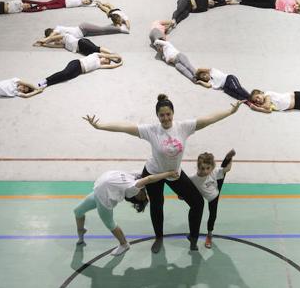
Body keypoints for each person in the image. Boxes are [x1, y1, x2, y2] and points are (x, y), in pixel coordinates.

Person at [83, 94, 242, 252]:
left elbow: (208, 119)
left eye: (168, 114)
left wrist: (231, 111)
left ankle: (193, 237)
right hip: (153, 172)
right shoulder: (151, 130)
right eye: (161, 115)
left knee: (197, 203)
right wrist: (100, 126)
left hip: (175, 174)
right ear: (157, 116)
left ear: (173, 113)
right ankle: (159, 237)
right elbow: (125, 127)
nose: (165, 118)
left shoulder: (183, 127)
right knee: (157, 206)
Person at [74, 169, 179, 255]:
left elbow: (150, 179)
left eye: (142, 196)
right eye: (144, 194)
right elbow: (150, 175)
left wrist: (168, 174)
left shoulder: (132, 188)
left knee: (110, 224)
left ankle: (124, 244)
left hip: (104, 200)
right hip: (98, 192)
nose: (144, 193)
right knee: (77, 211)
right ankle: (81, 231)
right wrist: (166, 171)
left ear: (134, 198)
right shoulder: (135, 177)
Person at [189, 149, 235, 249]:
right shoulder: (193, 178)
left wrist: (230, 159)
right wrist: (182, 195)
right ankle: (193, 234)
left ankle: (209, 235)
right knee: (196, 211)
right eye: (202, 168)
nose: (205, 171)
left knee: (213, 215)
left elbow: (228, 169)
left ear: (212, 167)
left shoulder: (214, 171)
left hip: (215, 193)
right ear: (198, 167)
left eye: (207, 168)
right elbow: (184, 186)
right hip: (205, 190)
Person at [38, 52, 122, 88]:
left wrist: (119, 64)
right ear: (103, 57)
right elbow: (108, 55)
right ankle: (45, 80)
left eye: (106, 62)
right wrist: (118, 58)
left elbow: (111, 67)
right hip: (76, 63)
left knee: (65, 78)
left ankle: (47, 84)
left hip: (79, 72)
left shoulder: (99, 65)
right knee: (64, 73)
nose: (105, 61)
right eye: (106, 59)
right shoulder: (95, 55)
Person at [168, 0, 234, 31]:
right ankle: (173, 20)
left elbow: (218, 4)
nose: (211, 2)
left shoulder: (205, 8)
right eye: (212, 1)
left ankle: (173, 24)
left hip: (189, 8)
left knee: (185, 14)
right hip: (186, 0)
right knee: (180, 10)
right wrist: (225, 0)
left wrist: (227, 3)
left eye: (212, 4)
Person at [33, 31, 110, 56]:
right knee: (96, 54)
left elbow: (51, 38)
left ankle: (112, 53)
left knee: (97, 48)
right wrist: (43, 45)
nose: (55, 41)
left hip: (81, 42)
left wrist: (42, 40)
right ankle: (111, 56)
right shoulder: (63, 44)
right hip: (81, 50)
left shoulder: (64, 35)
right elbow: (52, 46)